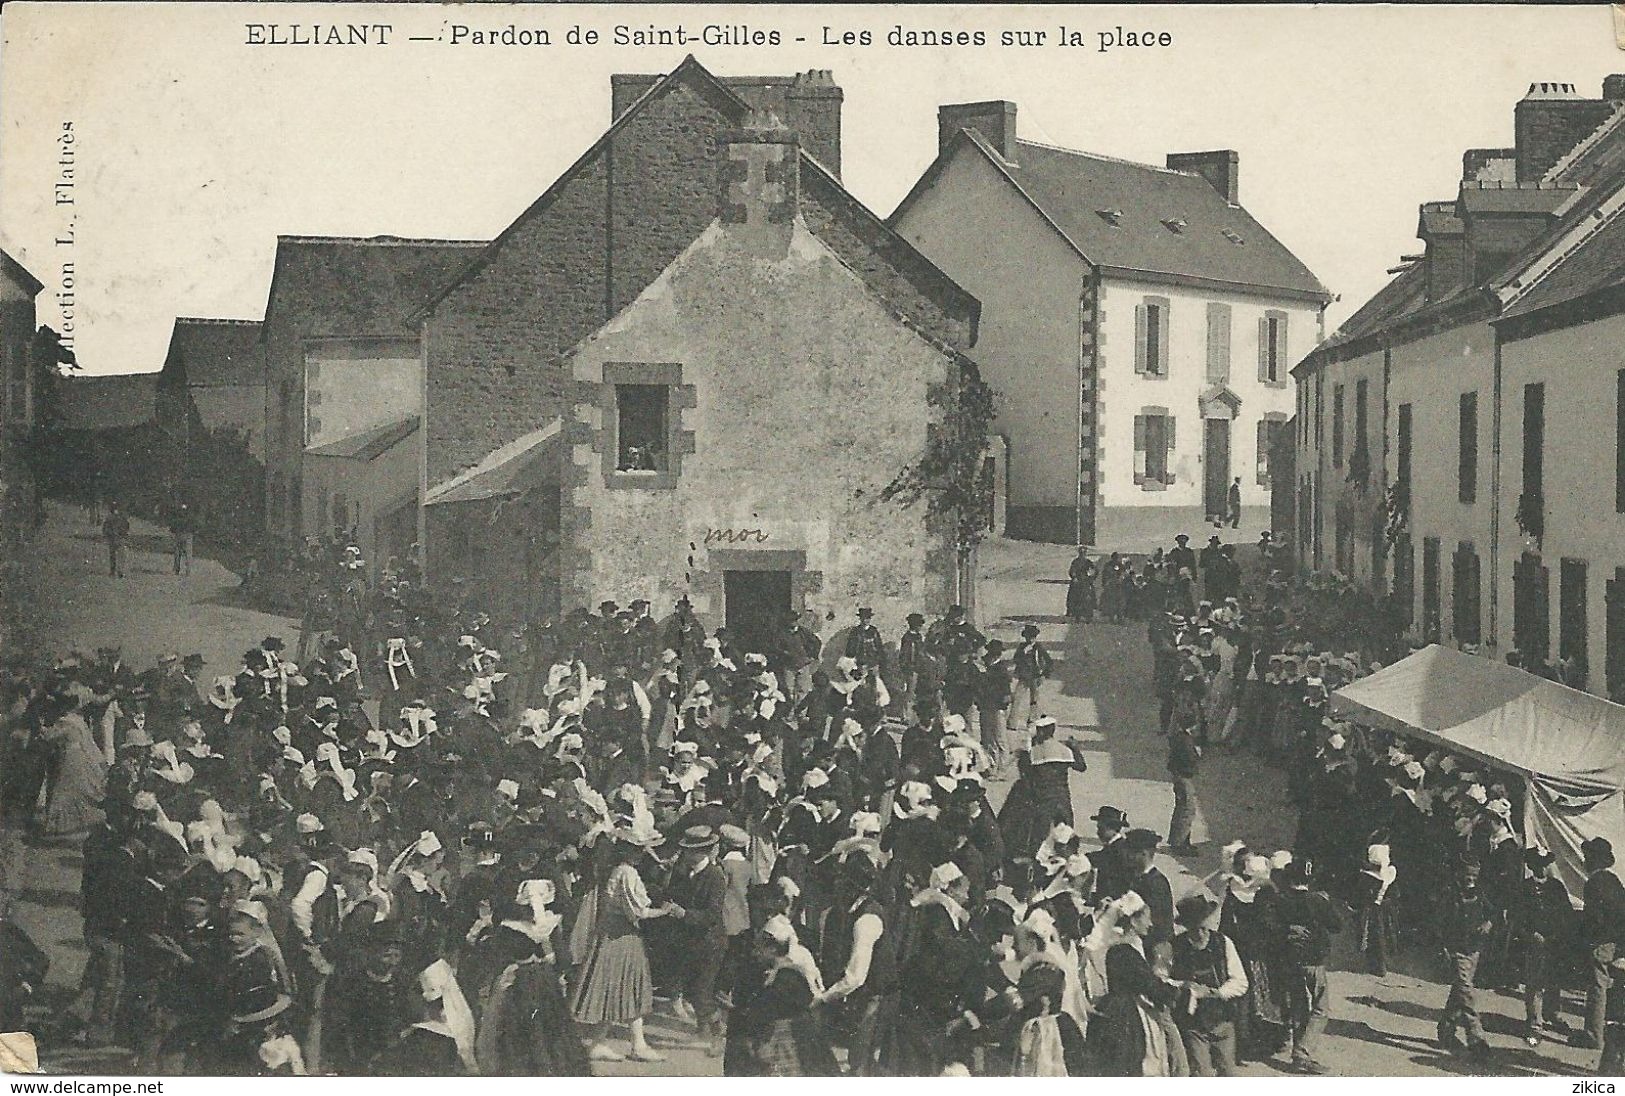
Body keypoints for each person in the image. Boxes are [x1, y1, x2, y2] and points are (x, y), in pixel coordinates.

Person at [570, 833, 679, 1062]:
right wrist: (665, 911)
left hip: (613, 936)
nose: (641, 854)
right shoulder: (627, 872)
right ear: (626, 851)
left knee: (618, 988)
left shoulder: (617, 870)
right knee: (630, 987)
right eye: (637, 849)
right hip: (621, 938)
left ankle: (601, 1043)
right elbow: (638, 911)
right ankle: (636, 1045)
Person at [1275, 858, 1341, 1074]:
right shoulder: (1317, 900)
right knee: (1321, 1008)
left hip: (1288, 960)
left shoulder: (1280, 900)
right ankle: (1302, 1052)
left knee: (1299, 1005)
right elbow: (1336, 926)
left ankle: (1295, 1047)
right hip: (1313, 961)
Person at [1171, 892, 1249, 1076]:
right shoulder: (1176, 947)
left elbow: (1240, 981)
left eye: (1203, 927)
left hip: (1223, 1021)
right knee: (1202, 1073)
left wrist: (1218, 993)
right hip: (1194, 1025)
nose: (1200, 934)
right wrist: (1186, 987)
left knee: (1228, 1072)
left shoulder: (1223, 942)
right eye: (1194, 929)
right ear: (1186, 927)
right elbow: (1164, 979)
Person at [1512, 846, 1574, 1048]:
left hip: (1555, 942)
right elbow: (1517, 917)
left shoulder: (1556, 887)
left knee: (1553, 981)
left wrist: (1559, 935)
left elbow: (1566, 914)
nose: (1542, 868)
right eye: (1537, 865)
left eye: (1545, 864)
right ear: (1531, 865)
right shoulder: (1524, 887)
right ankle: (1534, 1024)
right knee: (1535, 984)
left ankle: (1552, 1014)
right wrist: (1531, 935)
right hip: (1534, 942)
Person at [1437, 856, 1494, 1061]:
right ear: (1459, 874)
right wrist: (1443, 947)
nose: (1471, 879)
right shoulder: (1450, 893)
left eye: (1474, 875)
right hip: (1456, 949)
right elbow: (1440, 922)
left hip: (1474, 949)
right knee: (1466, 993)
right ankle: (1476, 1039)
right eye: (1467, 874)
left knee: (1460, 990)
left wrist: (1488, 923)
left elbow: (1491, 913)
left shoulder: (1479, 893)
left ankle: (1445, 1030)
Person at [1581, 836, 1625, 1051]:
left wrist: (1590, 939)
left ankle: (1593, 1036)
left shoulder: (1594, 883)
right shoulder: (1615, 881)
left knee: (1597, 987)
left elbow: (1593, 918)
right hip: (1617, 941)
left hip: (1601, 941)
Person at [1010, 624, 1053, 739]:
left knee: (1034, 701)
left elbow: (1049, 661)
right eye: (1028, 637)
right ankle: (1012, 723)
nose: (1030, 639)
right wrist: (1023, 652)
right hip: (1024, 677)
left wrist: (1044, 675)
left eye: (1033, 637)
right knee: (1017, 698)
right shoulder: (1021, 647)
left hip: (1035, 677)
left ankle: (1031, 721)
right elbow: (1015, 659)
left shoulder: (1039, 648)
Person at [1066, 548, 1096, 623]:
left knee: (1089, 598)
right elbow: (1072, 571)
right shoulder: (1075, 562)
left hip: (1086, 582)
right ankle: (1076, 616)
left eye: (1084, 553)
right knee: (1075, 598)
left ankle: (1088, 616)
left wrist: (1091, 577)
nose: (1082, 555)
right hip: (1077, 583)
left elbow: (1094, 571)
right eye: (1081, 553)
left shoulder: (1088, 562)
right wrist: (1074, 577)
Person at [103, 501, 130, 578]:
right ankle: (119, 571)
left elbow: (105, 529)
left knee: (113, 556)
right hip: (118, 538)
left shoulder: (110, 517)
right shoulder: (122, 517)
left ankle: (114, 571)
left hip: (114, 538)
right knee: (120, 555)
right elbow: (126, 527)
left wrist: (108, 535)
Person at [170, 501, 196, 576]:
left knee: (177, 553)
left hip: (179, 535)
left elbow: (173, 528)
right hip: (188, 535)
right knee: (188, 553)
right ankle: (188, 570)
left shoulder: (177, 517)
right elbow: (194, 526)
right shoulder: (190, 517)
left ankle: (177, 569)